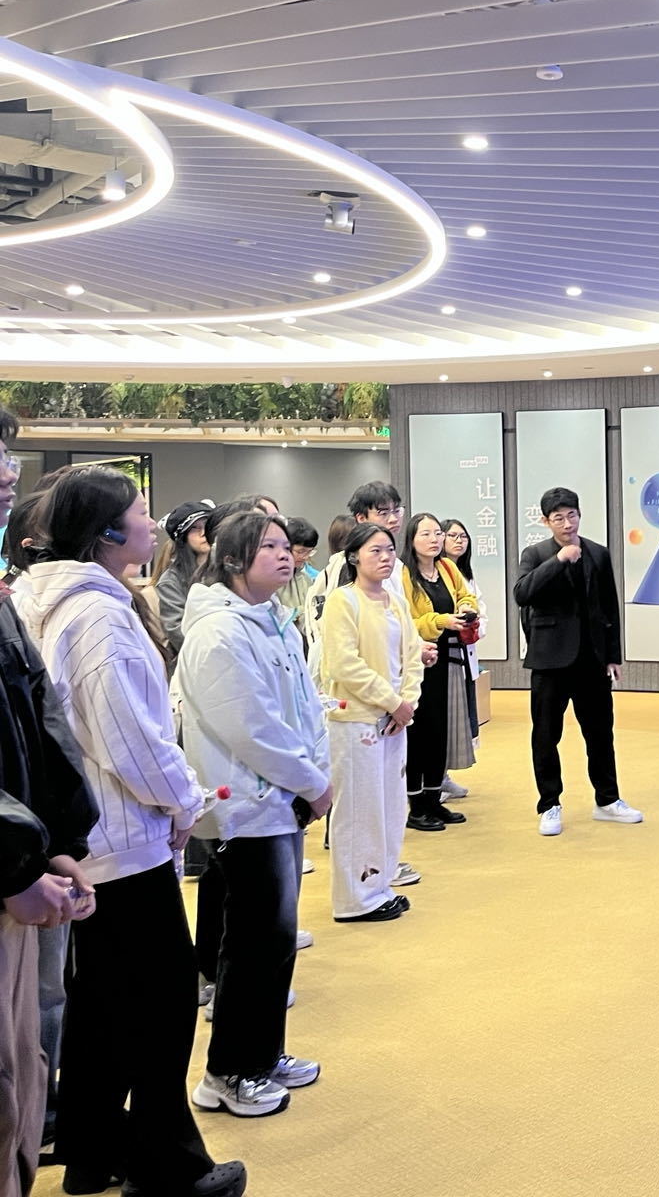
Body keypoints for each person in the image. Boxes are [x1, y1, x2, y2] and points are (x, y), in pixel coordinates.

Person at [20, 466, 247, 1197]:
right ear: (108, 533)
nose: (154, 523)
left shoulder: (45, 597)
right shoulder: (99, 615)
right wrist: (185, 802)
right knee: (160, 1001)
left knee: (103, 1000)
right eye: (142, 512)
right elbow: (131, 740)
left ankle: (92, 1150)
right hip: (122, 839)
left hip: (90, 838)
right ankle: (166, 1166)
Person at [178, 513, 332, 1119]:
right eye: (269, 546)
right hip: (247, 807)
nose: (285, 555)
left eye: (285, 545)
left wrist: (315, 776)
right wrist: (312, 781)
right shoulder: (219, 632)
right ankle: (228, 1073)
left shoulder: (271, 619)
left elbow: (303, 708)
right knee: (252, 942)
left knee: (275, 938)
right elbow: (251, 728)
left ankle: (263, 1056)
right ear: (233, 558)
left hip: (282, 800)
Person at [0, 416, 99, 1197]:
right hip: (10, 873)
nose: (9, 472)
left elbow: (35, 725)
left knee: (23, 1067)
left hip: (26, 861)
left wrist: (56, 841)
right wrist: (13, 866)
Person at [514, 488, 642, 837]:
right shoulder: (536, 554)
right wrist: (559, 561)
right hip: (549, 660)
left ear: (580, 515)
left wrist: (613, 655)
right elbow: (522, 593)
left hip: (592, 660)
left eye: (571, 515)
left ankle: (608, 800)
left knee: (600, 733)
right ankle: (549, 804)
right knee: (545, 735)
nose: (567, 523)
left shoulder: (598, 553)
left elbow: (609, 606)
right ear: (545, 521)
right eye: (558, 518)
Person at [318, 523, 422, 923]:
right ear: (354, 557)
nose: (385, 557)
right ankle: (353, 899)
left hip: (394, 720)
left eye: (390, 550)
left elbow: (412, 655)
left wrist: (407, 702)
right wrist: (393, 702)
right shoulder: (343, 601)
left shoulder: (395, 600)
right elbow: (343, 664)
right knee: (358, 810)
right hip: (356, 720)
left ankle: (379, 886)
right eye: (375, 550)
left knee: (389, 806)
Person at [399, 514, 479, 832]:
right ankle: (416, 806)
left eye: (437, 533)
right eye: (426, 534)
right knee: (418, 734)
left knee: (439, 732)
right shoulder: (404, 574)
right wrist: (442, 621)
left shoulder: (446, 566)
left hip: (447, 657)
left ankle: (434, 800)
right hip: (418, 660)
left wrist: (466, 608)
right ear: (411, 539)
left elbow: (465, 595)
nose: (435, 539)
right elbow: (405, 623)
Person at [438, 519, 482, 800]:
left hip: (465, 651)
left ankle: (443, 776)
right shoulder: (433, 574)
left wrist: (475, 623)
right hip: (442, 650)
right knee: (443, 719)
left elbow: (480, 609)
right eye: (452, 535)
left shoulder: (464, 574)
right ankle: (435, 779)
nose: (459, 541)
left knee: (458, 719)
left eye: (463, 536)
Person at [153, 500, 215, 651]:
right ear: (183, 536)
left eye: (207, 525)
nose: (203, 533)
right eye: (195, 528)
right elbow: (178, 632)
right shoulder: (170, 582)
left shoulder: (229, 569)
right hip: (198, 656)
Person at [277, 518, 320, 655]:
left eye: (310, 552)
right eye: (301, 551)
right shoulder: (272, 580)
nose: (305, 557)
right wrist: (299, 612)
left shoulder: (305, 578)